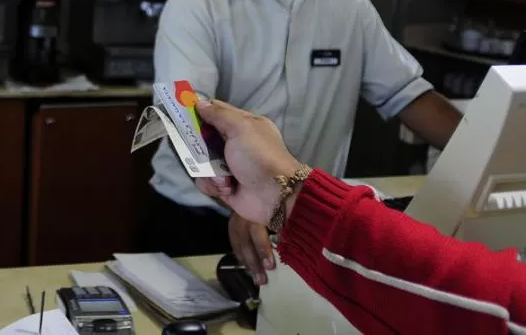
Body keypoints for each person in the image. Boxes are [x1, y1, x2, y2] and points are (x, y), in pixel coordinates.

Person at [146, 0, 462, 284]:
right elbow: (186, 118)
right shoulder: (197, 2)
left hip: (307, 223)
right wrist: (241, 199)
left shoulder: (347, 5)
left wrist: (497, 157)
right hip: (202, 220)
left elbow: (410, 97)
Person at [195, 99, 526, 335]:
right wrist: (289, 199)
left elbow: (486, 307)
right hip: (239, 215)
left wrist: (290, 200)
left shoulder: (352, 7)